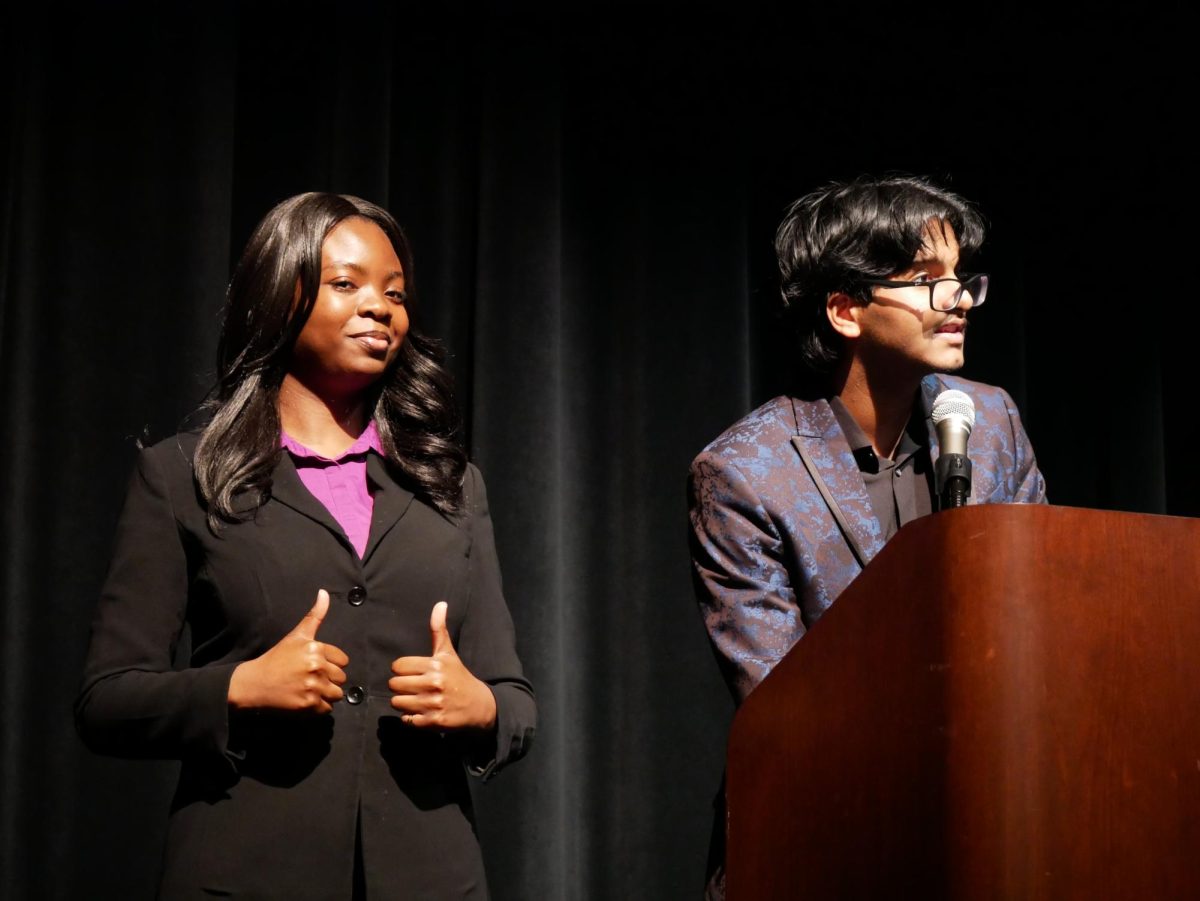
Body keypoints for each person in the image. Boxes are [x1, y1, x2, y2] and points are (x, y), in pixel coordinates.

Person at [75, 192, 535, 899]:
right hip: (243, 873)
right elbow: (106, 700)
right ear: (280, 296)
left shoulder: (453, 485)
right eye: (346, 284)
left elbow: (513, 697)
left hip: (432, 877)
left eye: (396, 293)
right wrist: (238, 688)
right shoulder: (182, 476)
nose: (380, 307)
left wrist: (482, 710)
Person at [687, 174, 1046, 897]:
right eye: (925, 280)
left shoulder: (993, 420)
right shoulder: (745, 472)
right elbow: (783, 703)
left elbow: (1048, 612)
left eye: (961, 277)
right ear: (847, 309)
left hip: (990, 827)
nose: (961, 299)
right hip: (824, 841)